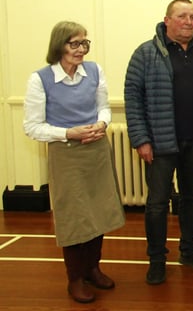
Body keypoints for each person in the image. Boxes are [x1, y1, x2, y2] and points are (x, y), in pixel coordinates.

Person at [23, 22, 125, 303]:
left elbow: (103, 106)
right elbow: (32, 126)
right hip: (65, 153)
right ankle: (75, 279)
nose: (81, 49)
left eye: (84, 43)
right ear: (59, 46)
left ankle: (93, 268)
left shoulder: (94, 71)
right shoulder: (40, 79)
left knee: (99, 211)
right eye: (74, 44)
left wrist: (101, 124)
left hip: (96, 150)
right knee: (74, 217)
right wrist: (68, 132)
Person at [124, 0, 193, 285]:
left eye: (192, 16)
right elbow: (132, 98)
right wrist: (141, 139)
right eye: (182, 16)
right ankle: (156, 259)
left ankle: (189, 251)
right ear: (167, 20)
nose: (189, 21)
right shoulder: (146, 53)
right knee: (156, 204)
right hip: (160, 143)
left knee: (191, 200)